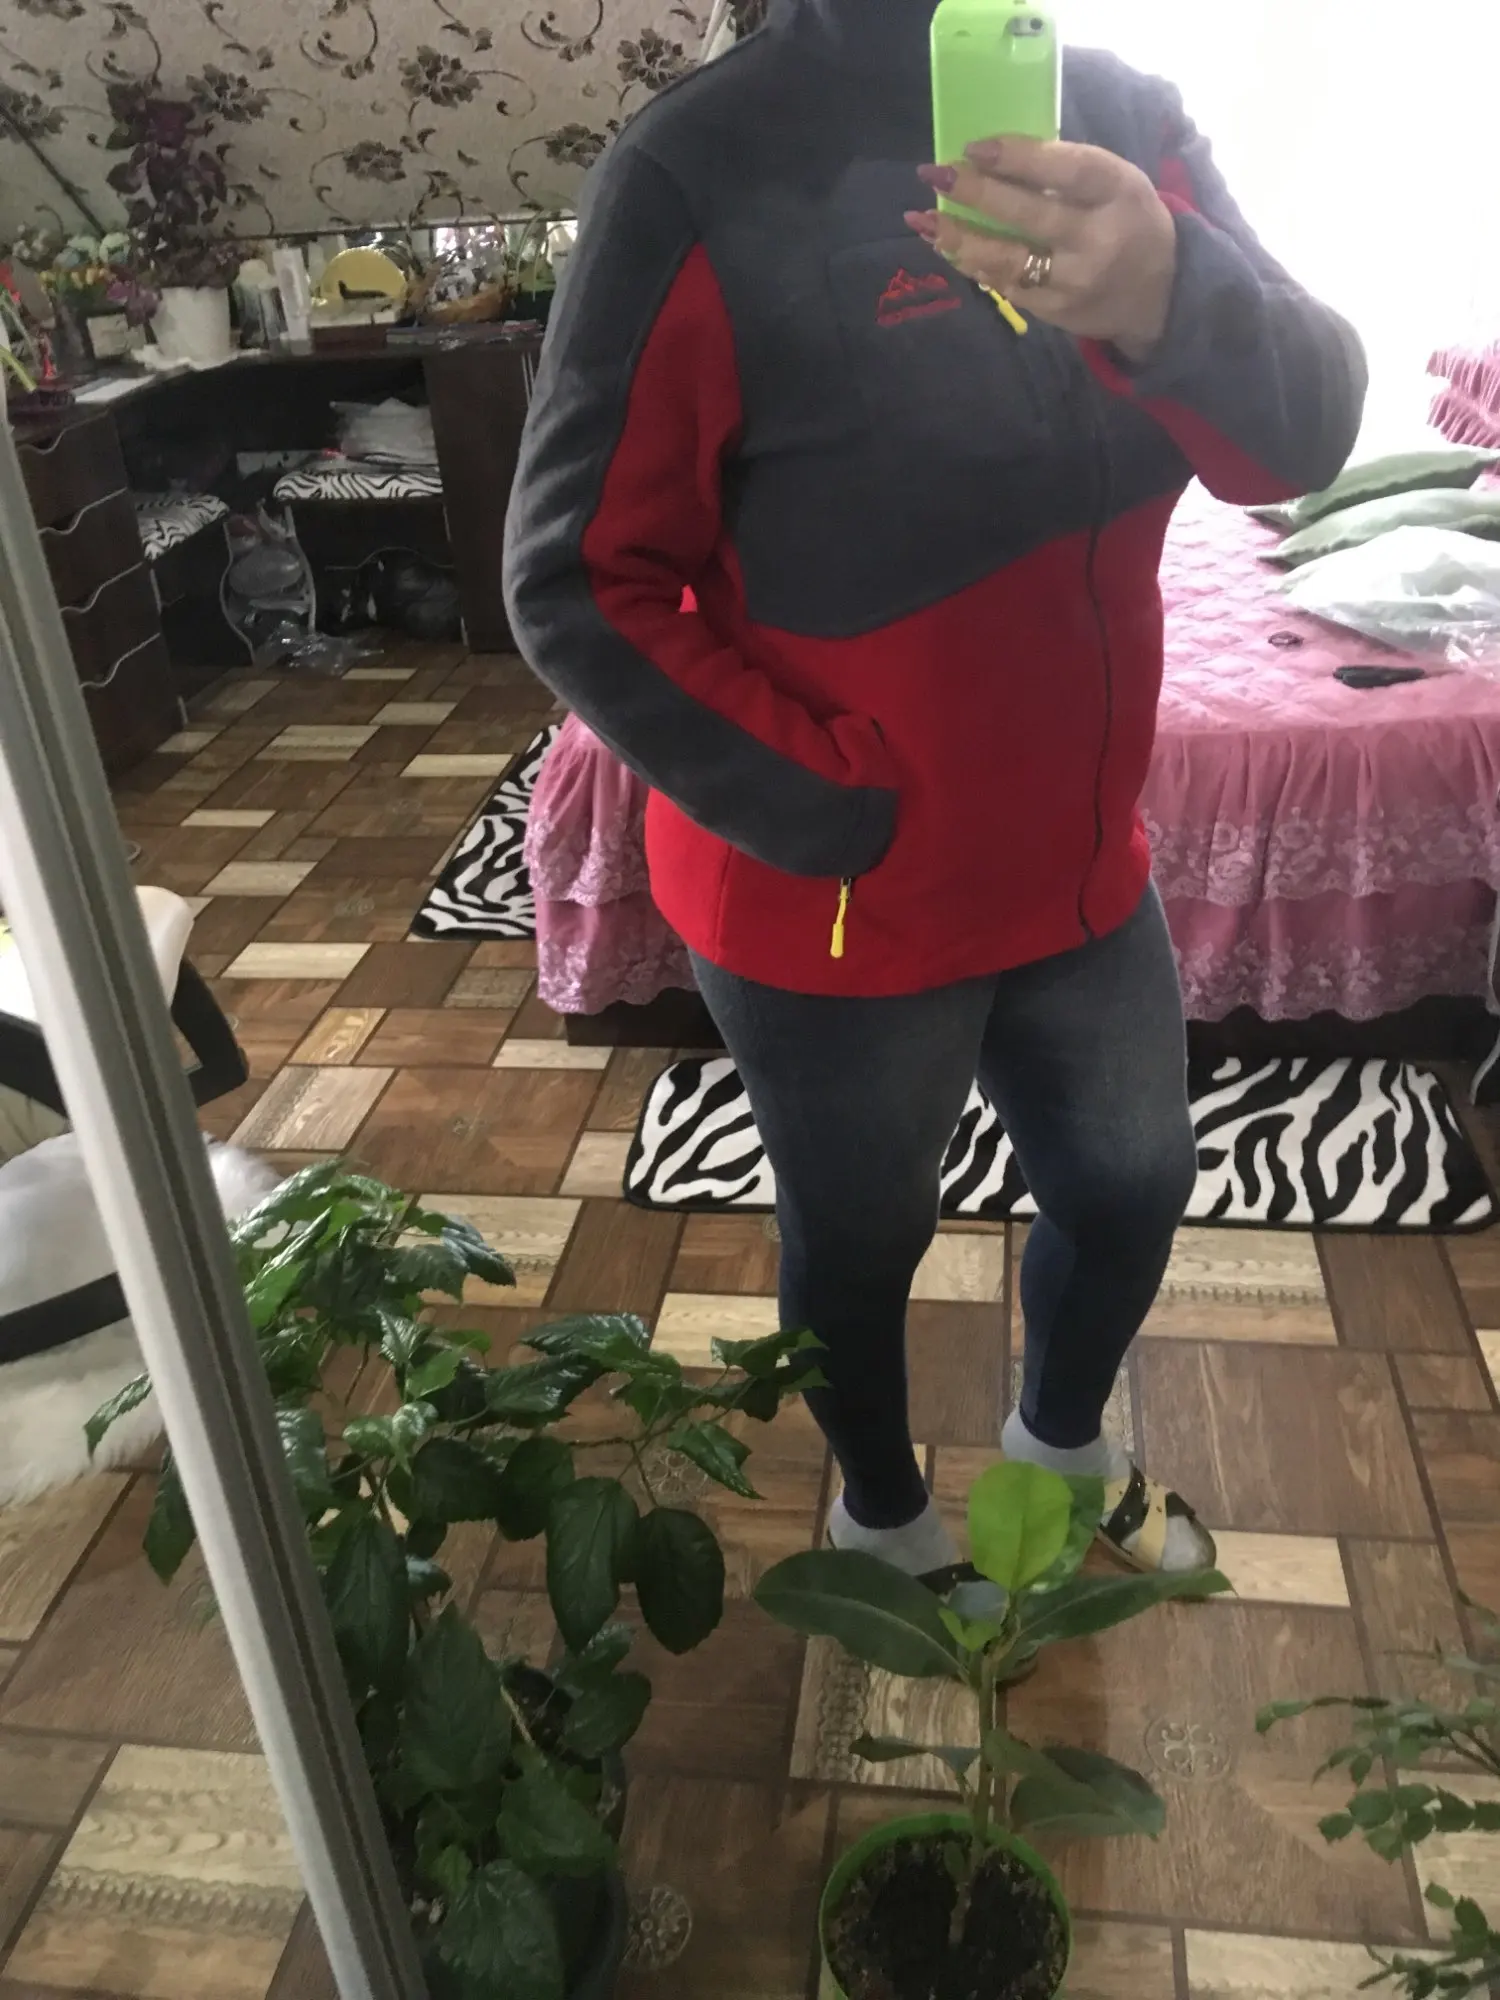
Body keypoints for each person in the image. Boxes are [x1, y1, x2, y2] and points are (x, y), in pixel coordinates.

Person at [504, 0, 1366, 1580]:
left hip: (1076, 855)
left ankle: (1062, 1449)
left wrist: (1169, 291)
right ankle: (880, 1514)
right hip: (836, 884)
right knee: (861, 1235)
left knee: (1133, 1181)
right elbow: (574, 577)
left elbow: (1300, 436)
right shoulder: (699, 168)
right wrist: (835, 808)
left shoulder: (1124, 116)